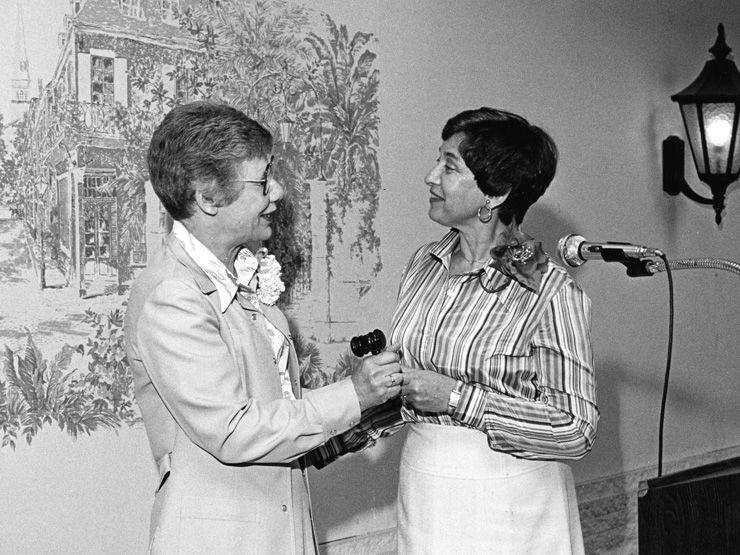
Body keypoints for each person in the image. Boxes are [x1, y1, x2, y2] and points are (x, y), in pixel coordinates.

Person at [313, 107, 598, 554]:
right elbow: (413, 392)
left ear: (497, 192)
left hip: (511, 505)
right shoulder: (423, 266)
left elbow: (575, 429)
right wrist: (332, 433)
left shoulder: (549, 290)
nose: (431, 176)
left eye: (449, 166)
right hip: (426, 495)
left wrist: (457, 397)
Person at [124, 101, 403, 554]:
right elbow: (235, 430)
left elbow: (274, 409)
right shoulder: (171, 295)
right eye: (262, 180)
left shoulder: (236, 277)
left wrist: (369, 404)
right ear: (208, 196)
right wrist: (353, 395)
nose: (277, 192)